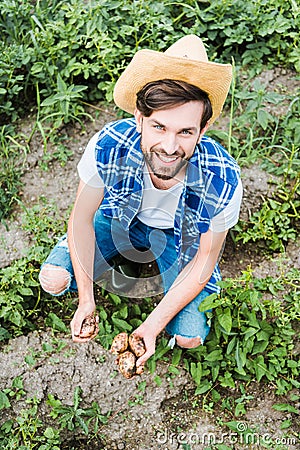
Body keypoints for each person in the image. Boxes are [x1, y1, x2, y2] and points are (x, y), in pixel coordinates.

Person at [39, 35, 242, 373]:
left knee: (191, 336)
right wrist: (87, 298)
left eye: (185, 132)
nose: (169, 145)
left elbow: (205, 259)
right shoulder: (109, 144)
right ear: (139, 119)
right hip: (118, 219)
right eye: (158, 126)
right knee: (53, 279)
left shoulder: (223, 179)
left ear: (203, 129)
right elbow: (81, 220)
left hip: (182, 243)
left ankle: (175, 318)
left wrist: (152, 325)